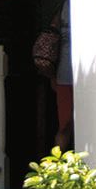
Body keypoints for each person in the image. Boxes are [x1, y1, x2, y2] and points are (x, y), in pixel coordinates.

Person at [33, 8, 73, 147]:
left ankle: (58, 164)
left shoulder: (62, 7)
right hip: (77, 77)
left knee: (65, 126)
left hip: (63, 76)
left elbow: (50, 40)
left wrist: (51, 76)